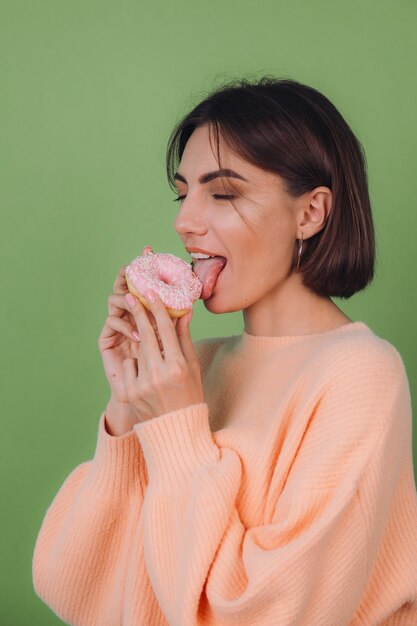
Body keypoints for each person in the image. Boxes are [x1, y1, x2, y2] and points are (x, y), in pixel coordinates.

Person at [32, 76, 417, 625]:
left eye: (224, 193)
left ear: (310, 213)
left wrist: (176, 425)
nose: (184, 222)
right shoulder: (199, 367)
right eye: (182, 191)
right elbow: (77, 589)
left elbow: (271, 615)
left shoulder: (360, 376)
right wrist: (127, 409)